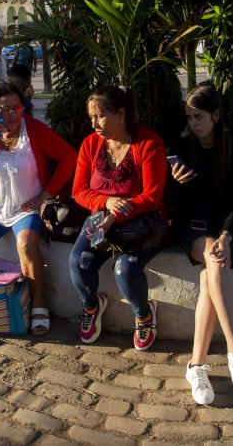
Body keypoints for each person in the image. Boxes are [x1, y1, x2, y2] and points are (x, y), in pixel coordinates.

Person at [0, 81, 77, 336]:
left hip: (27, 209)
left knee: (26, 245)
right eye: (4, 110)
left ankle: (38, 302)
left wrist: (46, 194)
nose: (12, 115)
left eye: (17, 108)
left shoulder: (33, 129)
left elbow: (69, 156)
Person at [168, 84, 233, 404]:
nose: (193, 123)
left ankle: (196, 366)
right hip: (194, 228)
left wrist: (228, 234)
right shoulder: (182, 147)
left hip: (230, 225)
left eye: (199, 116)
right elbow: (177, 206)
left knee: (210, 276)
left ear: (216, 115)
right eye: (189, 117)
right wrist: (176, 183)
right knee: (215, 261)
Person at [69, 85, 168, 350]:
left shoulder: (147, 144)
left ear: (120, 115)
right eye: (91, 117)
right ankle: (91, 307)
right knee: (79, 262)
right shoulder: (91, 144)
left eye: (100, 116)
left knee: (125, 270)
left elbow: (152, 196)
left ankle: (144, 315)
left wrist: (117, 213)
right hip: (100, 222)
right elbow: (78, 191)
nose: (94, 124)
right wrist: (105, 203)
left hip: (141, 225)